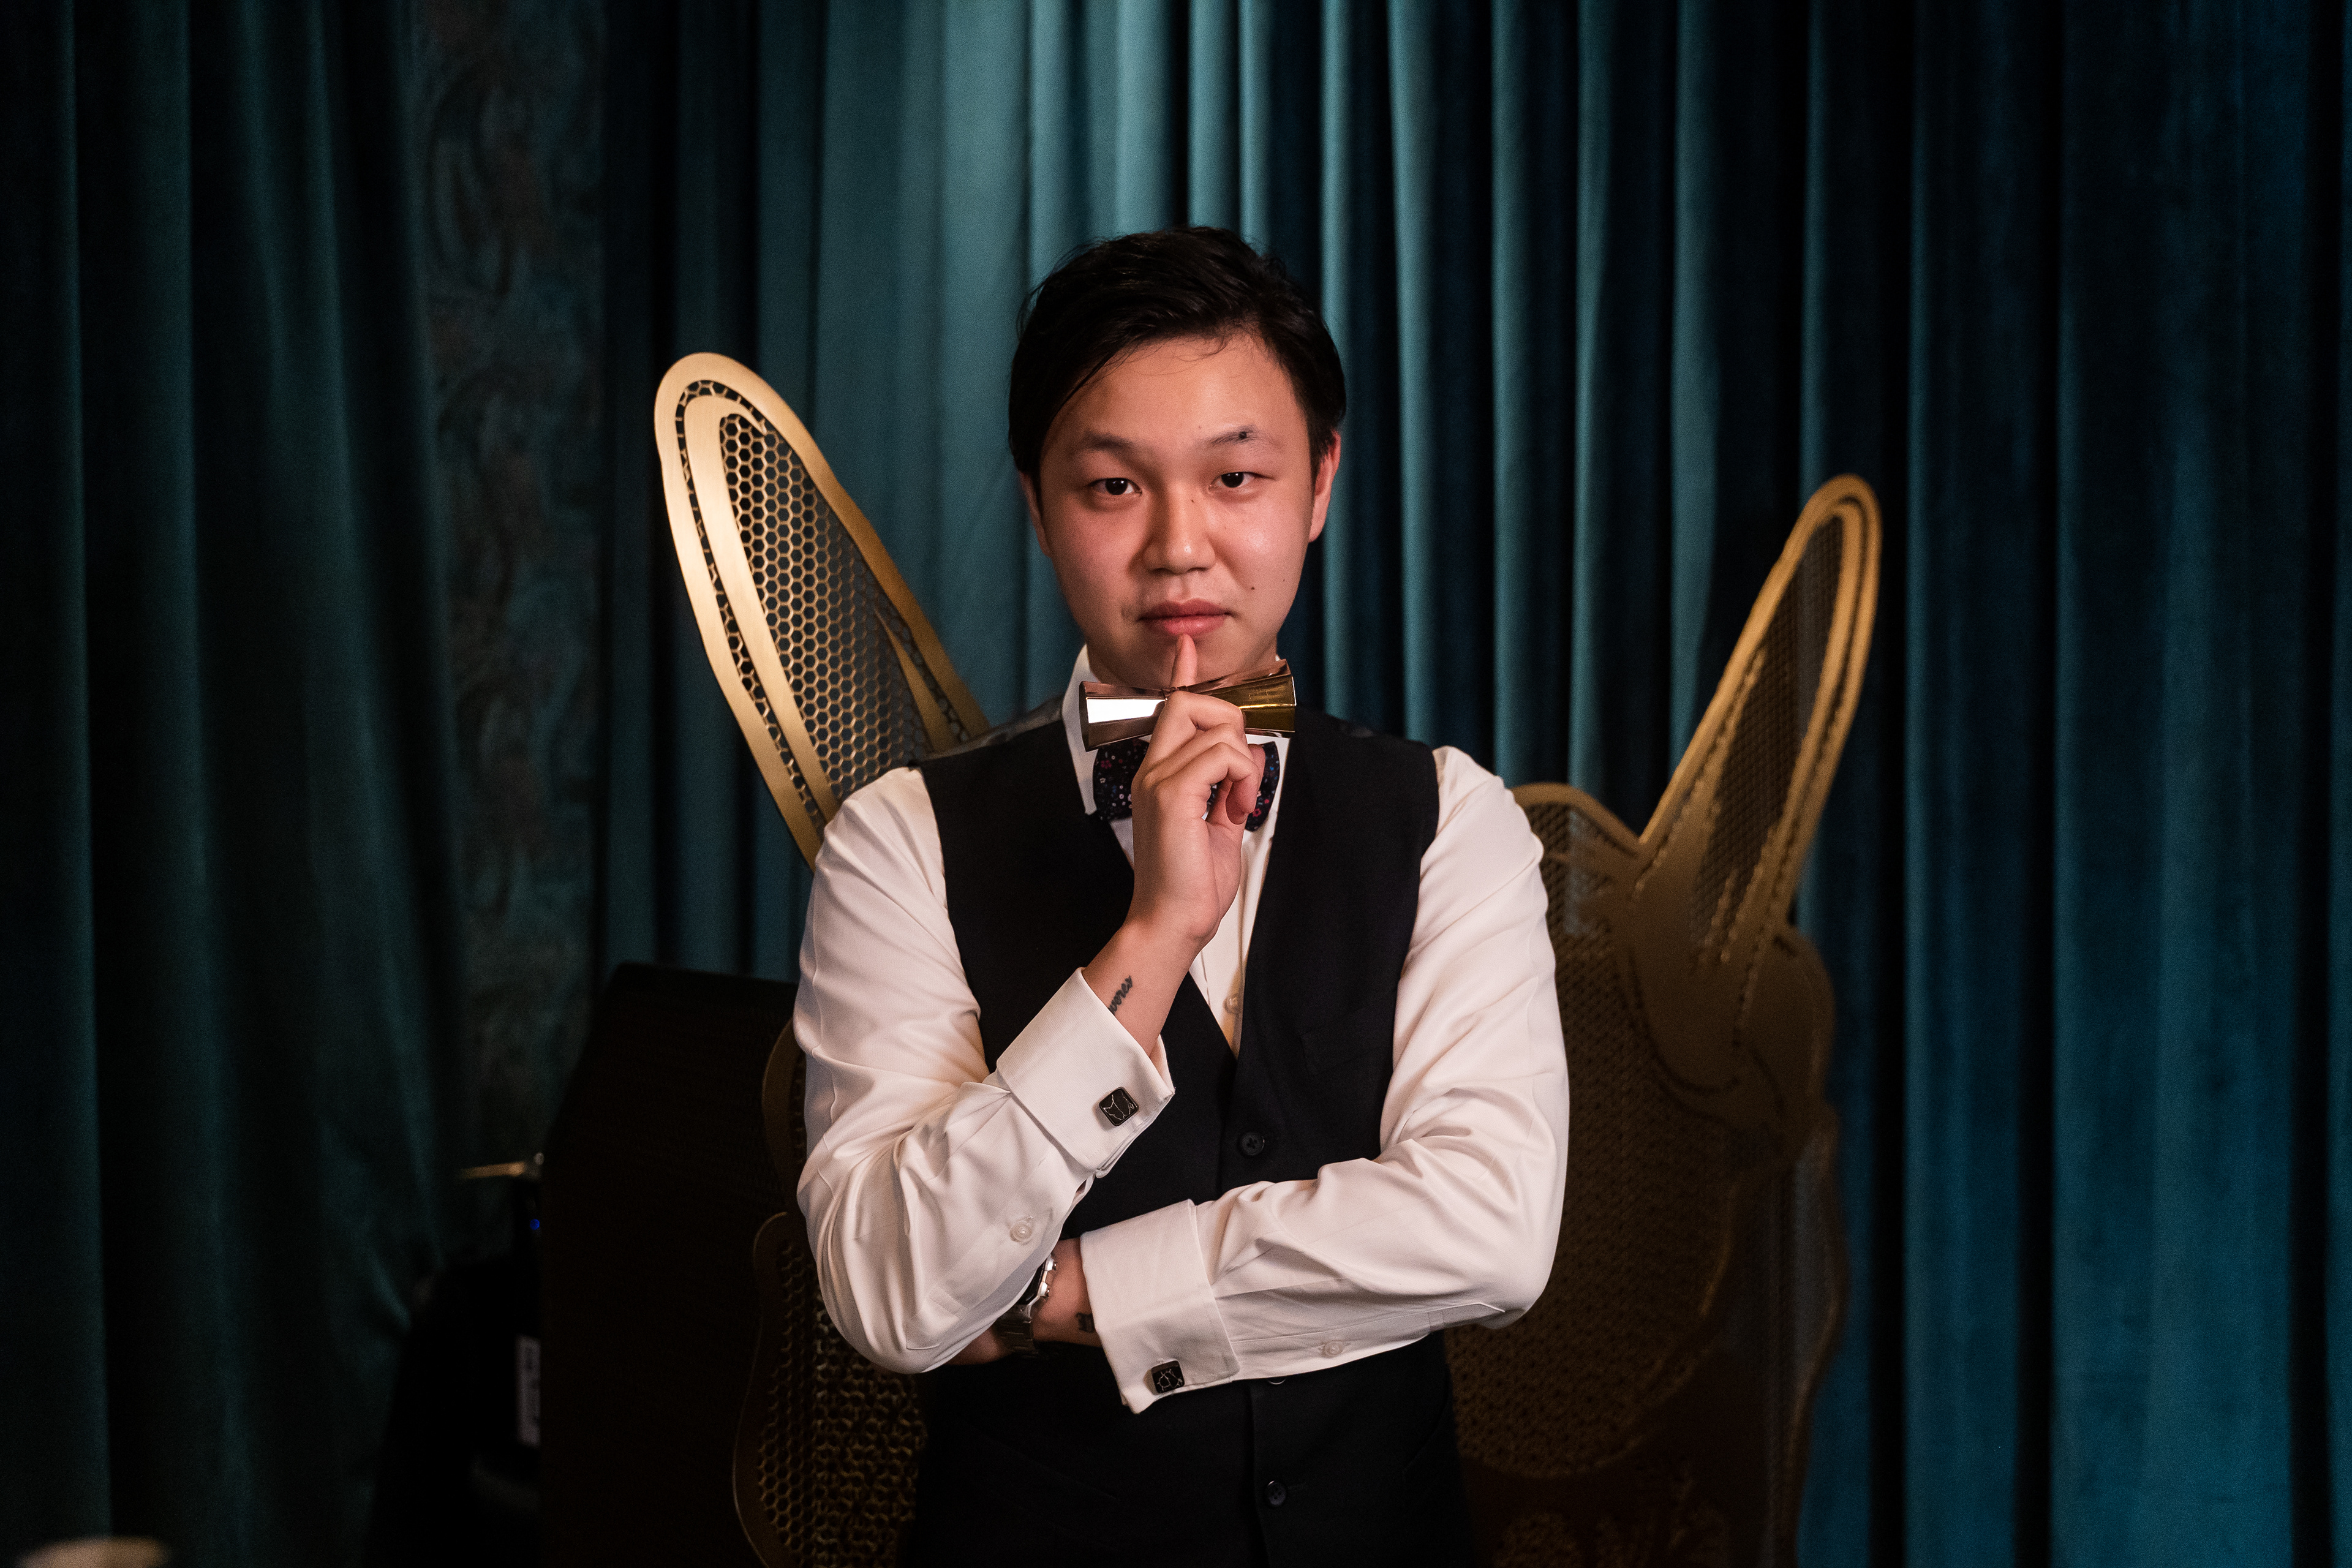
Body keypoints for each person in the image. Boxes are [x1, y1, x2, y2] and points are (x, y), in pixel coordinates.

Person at [791, 226, 1569, 1567]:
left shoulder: (1453, 819)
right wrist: (1152, 938)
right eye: (1112, 486)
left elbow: (1493, 1232)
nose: (1179, 546)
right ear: (1037, 506)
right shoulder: (900, 843)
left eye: (1235, 477)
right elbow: (894, 1292)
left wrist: (1064, 1290)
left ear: (1319, 483)